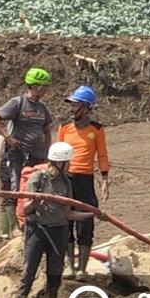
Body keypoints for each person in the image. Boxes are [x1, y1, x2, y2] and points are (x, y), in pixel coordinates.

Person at [15, 142, 96, 298]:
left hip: (59, 231)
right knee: (30, 267)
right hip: (37, 230)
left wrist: (91, 214)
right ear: (60, 162)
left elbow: (68, 213)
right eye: (68, 162)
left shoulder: (66, 182)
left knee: (55, 271)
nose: (70, 165)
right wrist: (35, 202)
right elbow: (25, 209)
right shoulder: (37, 178)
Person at [0, 68, 53, 239]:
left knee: (35, 188)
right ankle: (12, 229)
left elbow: (47, 130)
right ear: (37, 86)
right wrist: (8, 138)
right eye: (45, 86)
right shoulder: (18, 103)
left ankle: (30, 224)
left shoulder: (42, 108)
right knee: (15, 188)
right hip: (18, 155)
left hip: (37, 156)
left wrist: (47, 153)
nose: (47, 90)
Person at [56, 86, 110, 280]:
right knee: (65, 220)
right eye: (71, 104)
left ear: (85, 108)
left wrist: (104, 179)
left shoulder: (96, 129)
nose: (72, 108)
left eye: (75, 105)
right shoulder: (64, 126)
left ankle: (82, 268)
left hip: (85, 180)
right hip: (66, 178)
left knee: (86, 221)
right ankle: (69, 265)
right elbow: (58, 152)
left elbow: (102, 155)